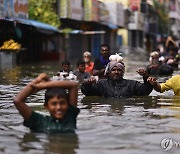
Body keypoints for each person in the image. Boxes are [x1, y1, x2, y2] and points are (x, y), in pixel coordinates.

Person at [13, 73, 80, 133]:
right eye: (54, 104)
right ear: (46, 106)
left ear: (68, 105)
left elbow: (74, 85)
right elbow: (18, 101)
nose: (59, 107)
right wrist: (36, 81)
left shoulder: (70, 117)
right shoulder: (39, 121)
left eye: (62, 103)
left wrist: (44, 85)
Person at [81, 61, 154, 98]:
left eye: (119, 70)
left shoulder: (131, 84)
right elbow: (87, 92)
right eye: (113, 70)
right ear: (109, 72)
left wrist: (145, 76)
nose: (116, 72)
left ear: (123, 72)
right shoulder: (102, 84)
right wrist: (88, 84)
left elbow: (145, 91)